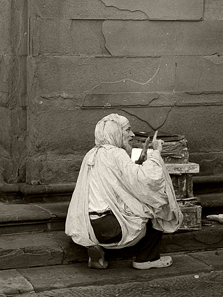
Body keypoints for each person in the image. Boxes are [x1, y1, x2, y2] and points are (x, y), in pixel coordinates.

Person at [65, 113, 183, 270]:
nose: (132, 134)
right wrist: (155, 154)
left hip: (87, 226)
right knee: (158, 207)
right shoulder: (116, 154)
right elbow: (148, 181)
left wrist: (140, 160)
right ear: (116, 132)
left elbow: (123, 178)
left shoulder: (91, 154)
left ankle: (96, 250)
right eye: (127, 130)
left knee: (132, 206)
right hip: (113, 227)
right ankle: (146, 258)